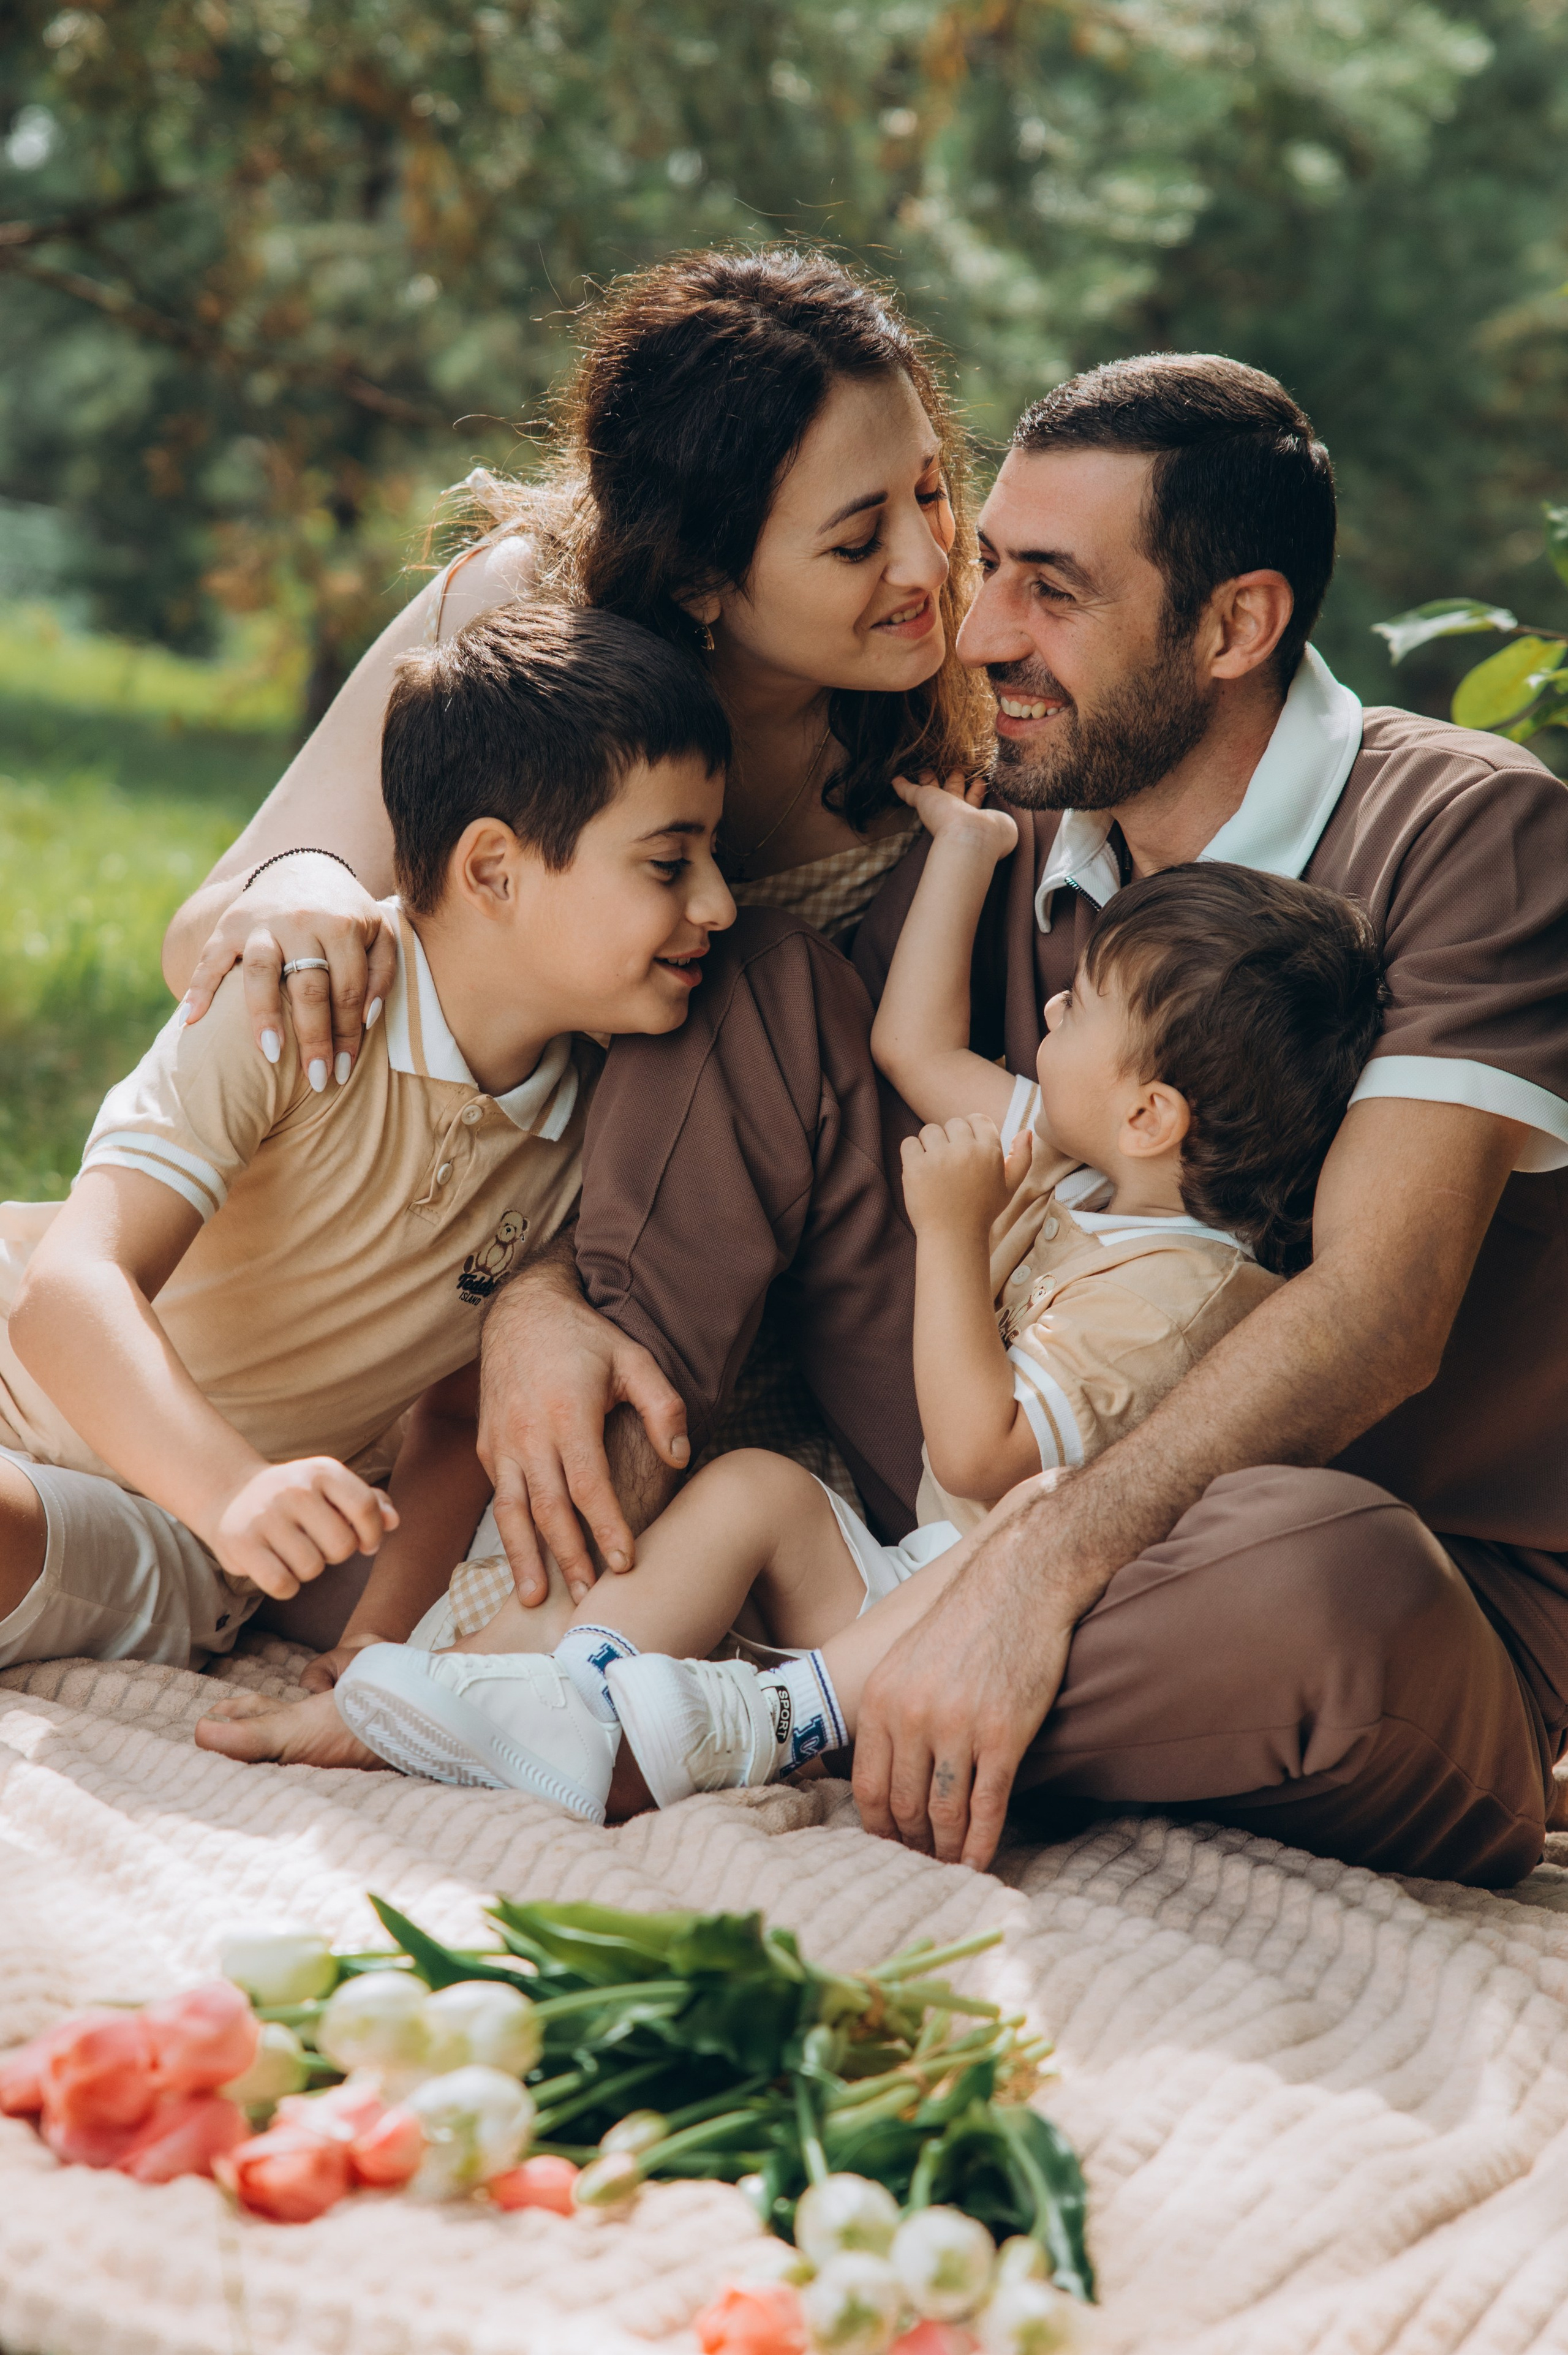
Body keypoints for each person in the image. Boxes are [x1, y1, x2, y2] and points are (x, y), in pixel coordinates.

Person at [170, 314, 1568, 1891]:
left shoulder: (1464, 829)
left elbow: (1381, 1308)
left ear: (1234, 623)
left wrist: (1037, 1569)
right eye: (998, 565)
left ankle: (750, 1706)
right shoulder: (1014, 836)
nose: (976, 634)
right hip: (983, 1457)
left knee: (1331, 1590)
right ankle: (545, 1626)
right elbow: (755, 1111)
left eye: (1052, 589)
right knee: (749, 975)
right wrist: (548, 1300)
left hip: (1317, 1552)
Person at [203, 828, 1382, 1819]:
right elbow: (907, 1047)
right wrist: (965, 852)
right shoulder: (1089, 1165)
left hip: (973, 1623)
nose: (1055, 1003)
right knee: (756, 1486)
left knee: (1010, 1505)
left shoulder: (1174, 1297)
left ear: (1150, 1110)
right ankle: (527, 1685)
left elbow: (975, 1459)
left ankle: (763, 1716)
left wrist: (953, 1238)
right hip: (911, 1571)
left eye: (1090, 1004)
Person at [162, 248, 991, 1573]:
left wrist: (551, 1299)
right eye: (855, 538)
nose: (925, 563)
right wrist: (309, 890)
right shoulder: (525, 618)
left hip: (720, 1304)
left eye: (933, 492)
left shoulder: (956, 726)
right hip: (418, 1254)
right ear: (698, 580)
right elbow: (217, 927)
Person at [0, 607, 733, 1673]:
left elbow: (451, 1418)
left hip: (174, 1527)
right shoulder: (294, 996)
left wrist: (374, 1643)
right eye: (670, 864)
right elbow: (70, 1285)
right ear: (493, 871)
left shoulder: (594, 1130)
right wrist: (234, 1486)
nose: (715, 902)